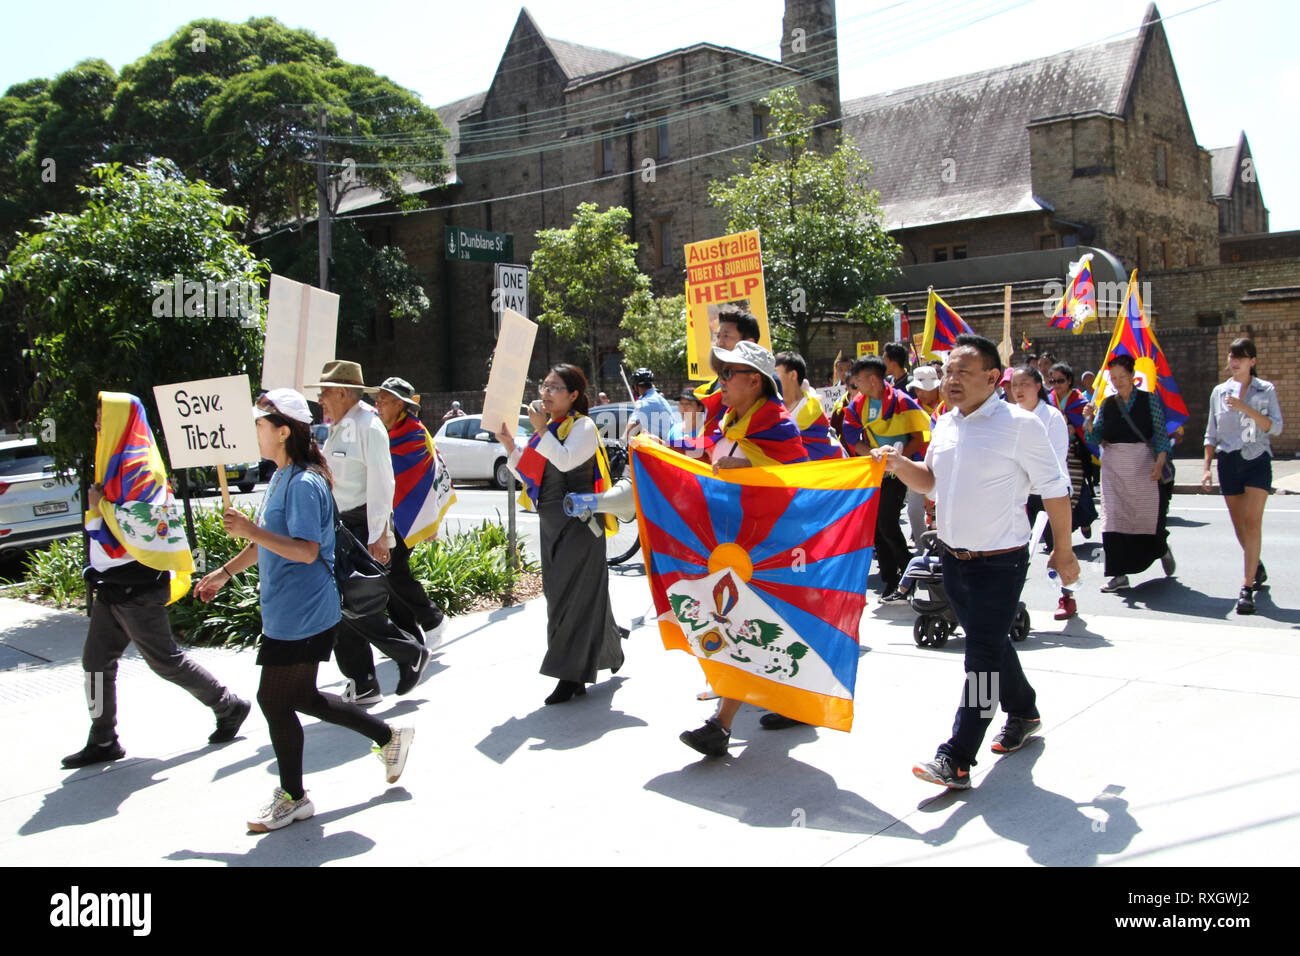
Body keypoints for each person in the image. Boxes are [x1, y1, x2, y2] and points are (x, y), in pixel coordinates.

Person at [195, 389, 413, 832]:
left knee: (273, 699)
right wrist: (223, 571)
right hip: (285, 609)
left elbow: (307, 550)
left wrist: (250, 528)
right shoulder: (280, 476)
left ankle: (293, 797)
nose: (254, 431)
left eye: (260, 424)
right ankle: (388, 737)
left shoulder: (306, 482)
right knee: (301, 698)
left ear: (282, 431)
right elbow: (267, 543)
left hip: (307, 611)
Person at [874, 335, 1078, 789]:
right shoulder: (944, 424)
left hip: (1000, 564)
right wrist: (896, 463)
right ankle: (1023, 710)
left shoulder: (1021, 426)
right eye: (948, 372)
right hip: (953, 559)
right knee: (992, 644)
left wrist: (1063, 550)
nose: (950, 381)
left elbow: (1055, 489)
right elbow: (929, 481)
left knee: (980, 659)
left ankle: (958, 755)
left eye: (962, 372)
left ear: (992, 377)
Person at [62, 393, 250, 769]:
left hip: (136, 586)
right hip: (112, 586)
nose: (97, 424)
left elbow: (141, 536)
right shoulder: (114, 465)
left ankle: (228, 704)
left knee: (165, 661)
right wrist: (99, 511)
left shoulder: (140, 470)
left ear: (120, 419)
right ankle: (102, 739)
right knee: (96, 662)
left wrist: (97, 512)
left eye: (103, 416)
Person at [677, 342, 809, 753]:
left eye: (729, 374)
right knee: (740, 626)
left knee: (747, 627)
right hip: (733, 542)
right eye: (722, 373)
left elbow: (801, 476)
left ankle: (723, 722)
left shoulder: (778, 423)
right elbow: (703, 457)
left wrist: (751, 468)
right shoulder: (728, 421)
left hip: (771, 546)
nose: (722, 381)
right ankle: (775, 705)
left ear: (755, 381)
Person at [496, 365, 626, 705]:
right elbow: (532, 472)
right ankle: (604, 651)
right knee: (561, 594)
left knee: (573, 598)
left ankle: (569, 677)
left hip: (580, 525)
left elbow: (567, 462)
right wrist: (511, 445)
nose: (546, 393)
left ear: (573, 395)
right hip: (551, 523)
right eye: (545, 386)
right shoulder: (550, 429)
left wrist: (541, 431)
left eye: (555, 388)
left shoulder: (582, 426)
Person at [309, 361, 430, 705]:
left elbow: (382, 481)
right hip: (340, 525)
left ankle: (407, 654)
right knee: (342, 607)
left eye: (326, 392)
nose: (321, 399)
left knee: (351, 605)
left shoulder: (367, 425)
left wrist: (380, 535)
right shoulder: (340, 425)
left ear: (344, 392)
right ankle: (363, 682)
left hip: (360, 525)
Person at [1201, 338, 1283, 614]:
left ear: (1253, 362)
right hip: (1228, 460)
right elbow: (1211, 432)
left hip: (1256, 458)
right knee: (1239, 527)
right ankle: (1256, 563)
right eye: (1232, 356)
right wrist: (1206, 468)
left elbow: (1276, 427)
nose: (1234, 362)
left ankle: (1246, 588)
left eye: (1241, 357)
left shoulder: (1265, 390)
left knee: (1252, 522)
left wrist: (1245, 407)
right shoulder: (1219, 392)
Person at [1083, 354, 1175, 593]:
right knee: (1112, 520)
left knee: (1145, 519)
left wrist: (1160, 462)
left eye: (1122, 376)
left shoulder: (1149, 400)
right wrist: (1089, 421)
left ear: (1133, 376)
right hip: (1114, 468)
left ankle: (1160, 548)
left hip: (1143, 467)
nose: (1118, 381)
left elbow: (1161, 434)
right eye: (1113, 377)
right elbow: (1095, 438)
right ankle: (1118, 575)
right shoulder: (1107, 404)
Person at [841, 355, 929, 599]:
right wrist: (874, 455)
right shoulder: (858, 405)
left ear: (872, 379)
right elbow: (851, 437)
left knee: (888, 523)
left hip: (900, 471)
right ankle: (891, 580)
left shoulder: (903, 401)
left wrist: (898, 461)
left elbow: (918, 438)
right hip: (876, 469)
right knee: (877, 529)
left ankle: (910, 570)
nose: (855, 384)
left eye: (858, 379)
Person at [372, 377, 451, 647]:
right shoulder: (387, 430)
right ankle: (407, 634)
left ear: (399, 404)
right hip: (392, 512)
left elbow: (419, 478)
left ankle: (432, 619)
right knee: (388, 569)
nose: (378, 404)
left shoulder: (413, 433)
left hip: (410, 512)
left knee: (392, 568)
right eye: (378, 399)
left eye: (384, 400)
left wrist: (429, 521)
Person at [1010, 365, 1077, 620]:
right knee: (1016, 548)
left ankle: (1067, 595)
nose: (1018, 390)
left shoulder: (1052, 416)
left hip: (1051, 493)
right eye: (1014, 385)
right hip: (1021, 494)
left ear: (1038, 386)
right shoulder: (1009, 416)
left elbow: (1057, 459)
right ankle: (1010, 598)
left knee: (1060, 546)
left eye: (1024, 384)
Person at [1048, 362, 1098, 538]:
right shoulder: (1048, 400)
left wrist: (1074, 426)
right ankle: (1064, 530)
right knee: (1057, 490)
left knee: (1075, 489)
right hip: (1054, 453)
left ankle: (1073, 527)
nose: (1056, 385)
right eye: (1052, 380)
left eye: (1060, 380)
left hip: (1074, 452)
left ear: (1069, 380)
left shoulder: (1079, 401)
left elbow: (1088, 426)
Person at [775, 350, 845, 460]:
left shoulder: (812, 409)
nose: (772, 378)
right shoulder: (773, 406)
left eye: (776, 373)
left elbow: (821, 448)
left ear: (793, 375)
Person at [904, 365, 943, 549]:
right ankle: (923, 549)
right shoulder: (912, 407)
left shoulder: (948, 406)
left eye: (924, 389)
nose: (920, 393)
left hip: (944, 466)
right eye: (917, 389)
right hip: (919, 466)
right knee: (913, 511)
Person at [624, 367, 679, 443]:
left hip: (665, 446)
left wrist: (623, 439)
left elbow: (633, 422)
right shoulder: (657, 397)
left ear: (636, 386)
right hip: (672, 442)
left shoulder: (645, 401)